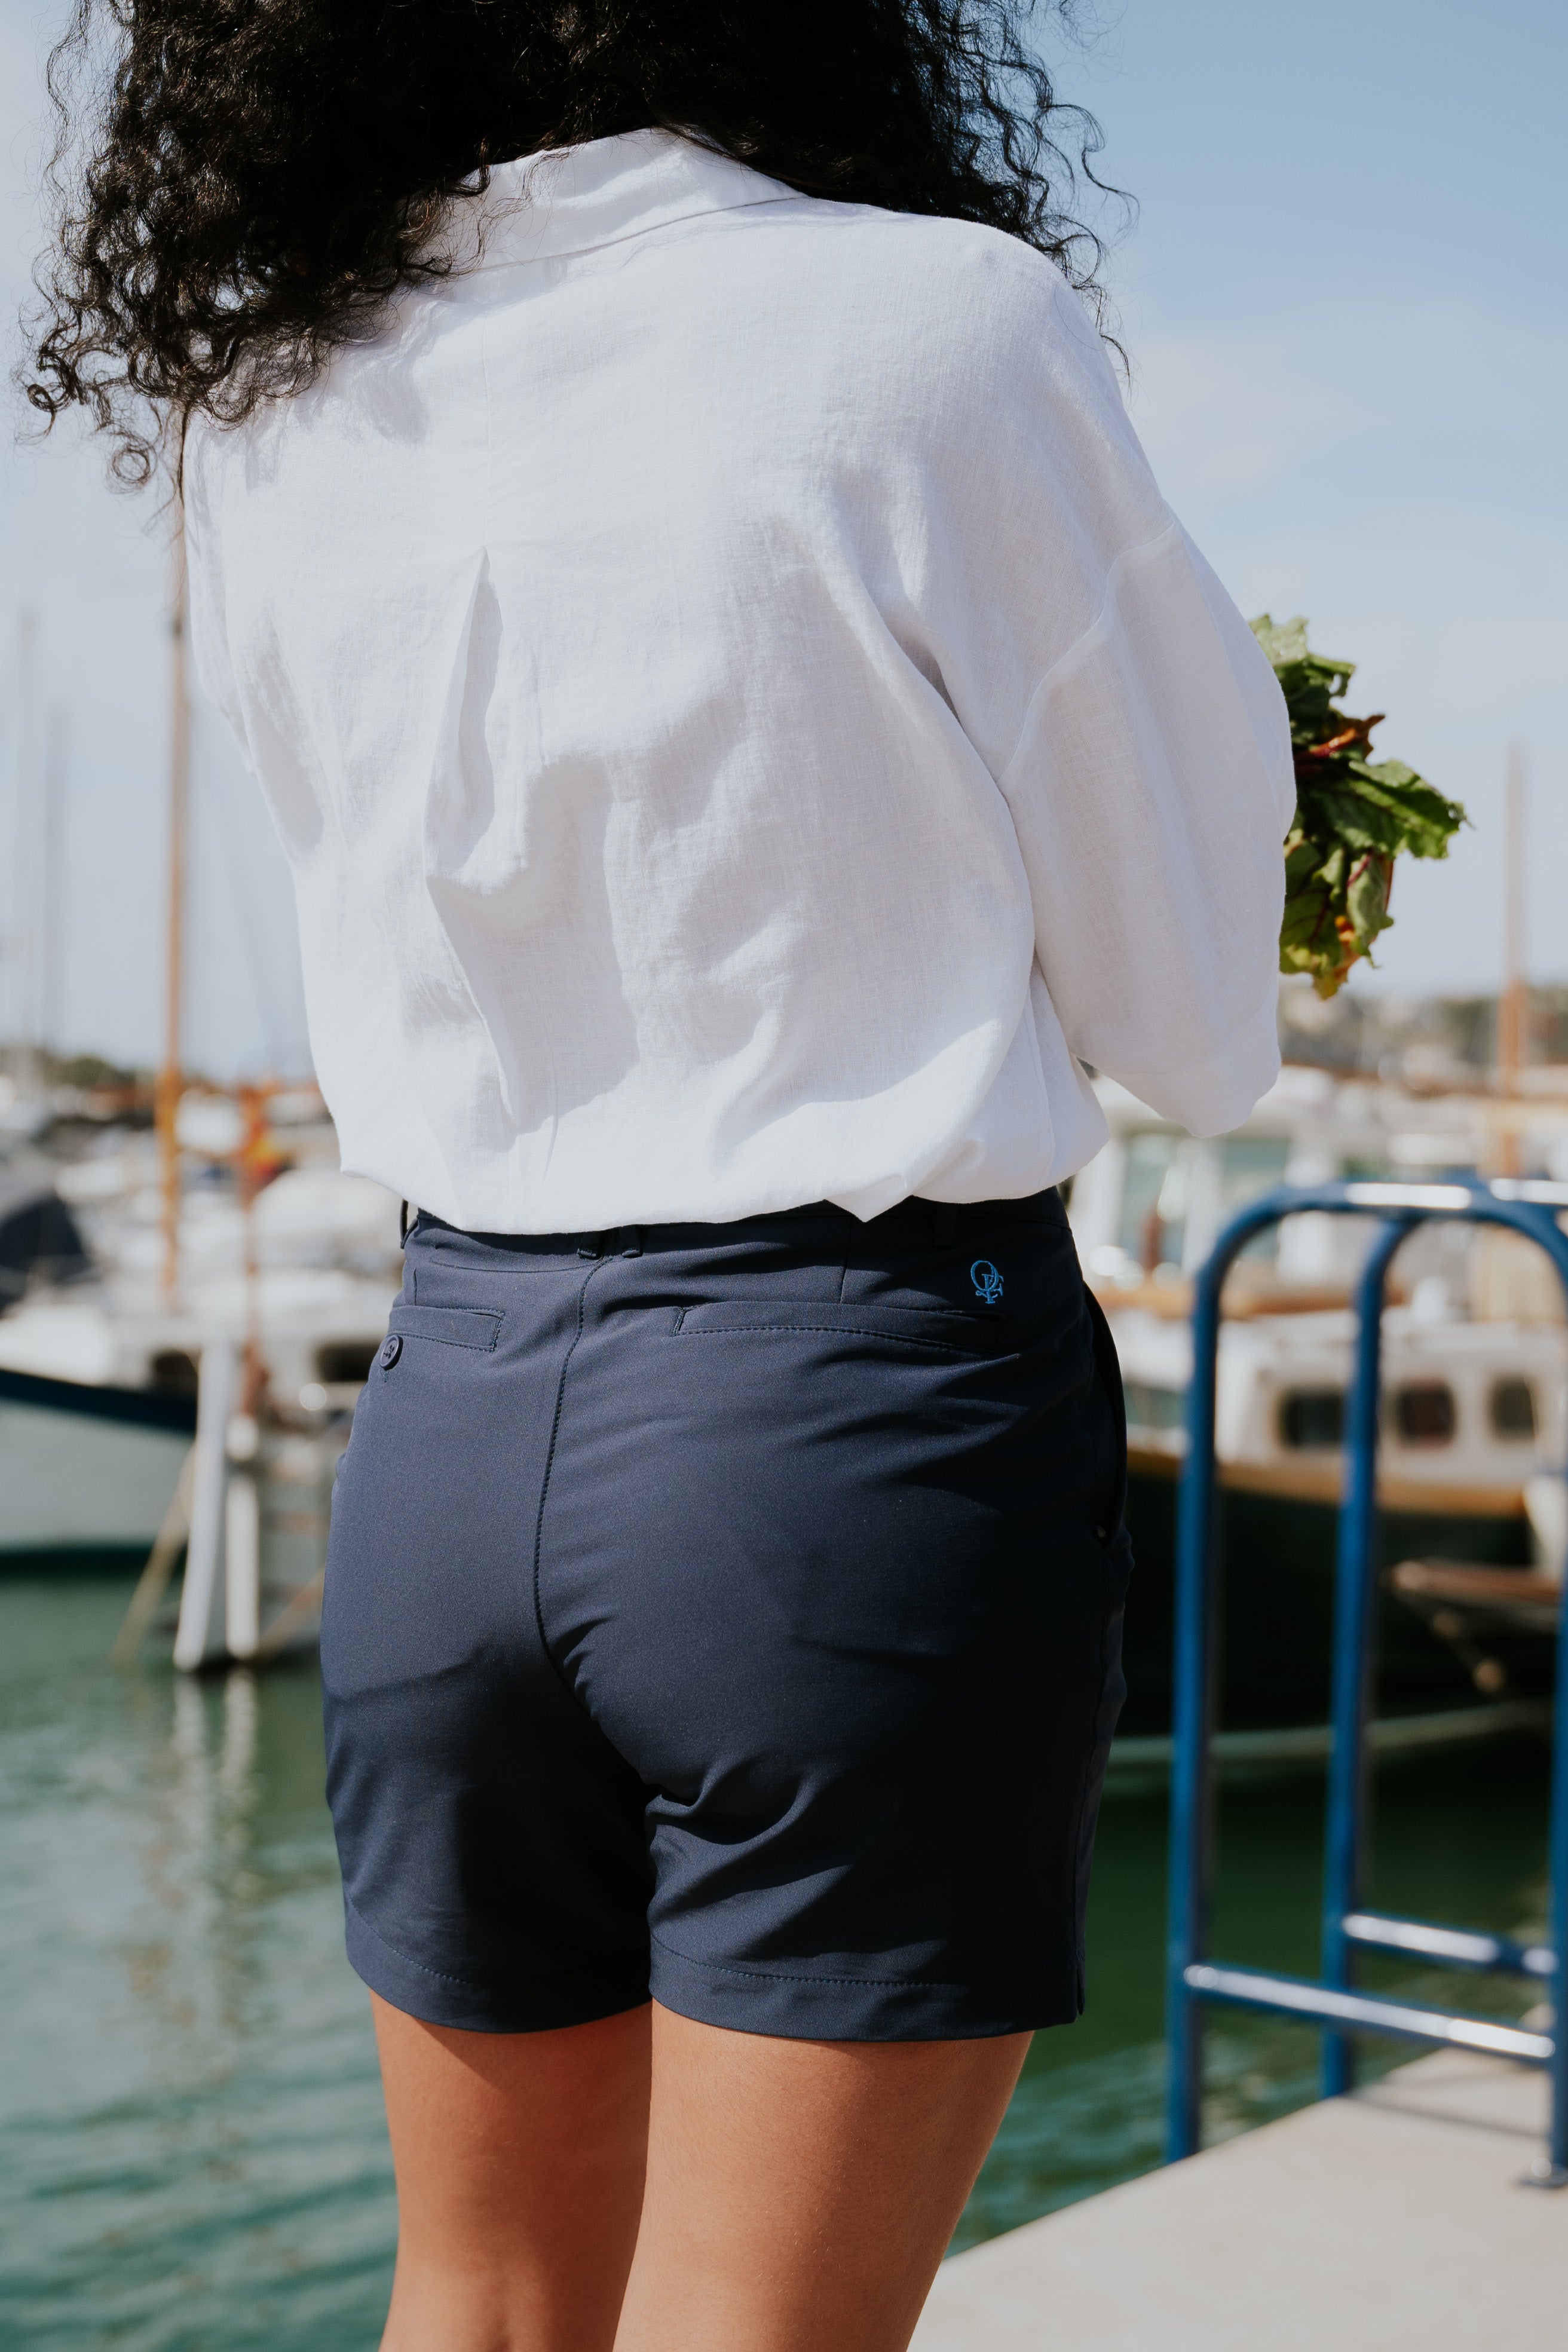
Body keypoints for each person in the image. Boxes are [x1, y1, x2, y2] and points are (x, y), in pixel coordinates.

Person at [29, 5, 1294, 2344]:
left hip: (445, 1419)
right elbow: (1199, 1027)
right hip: (842, 1426)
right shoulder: (936, 326)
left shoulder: (282, 411)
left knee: (480, 2309)